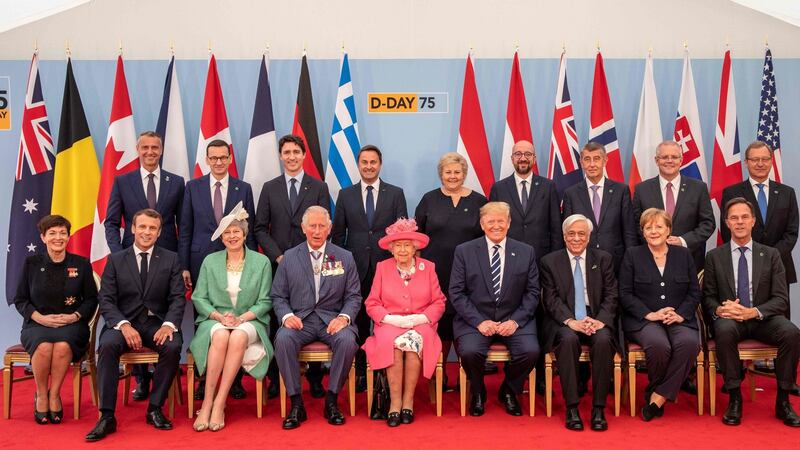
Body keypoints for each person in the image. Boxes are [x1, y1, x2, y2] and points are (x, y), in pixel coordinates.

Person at [86, 209, 186, 441]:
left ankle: (154, 408)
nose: (146, 232)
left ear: (159, 232)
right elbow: (106, 299)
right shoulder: (116, 260)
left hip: (156, 323)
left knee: (172, 347)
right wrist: (123, 325)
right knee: (108, 346)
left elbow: (177, 298)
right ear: (132, 228)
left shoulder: (170, 259)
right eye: (142, 227)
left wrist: (169, 325)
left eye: (152, 228)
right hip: (123, 323)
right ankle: (107, 416)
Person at [702, 197, 800, 427]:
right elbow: (707, 296)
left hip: (762, 318)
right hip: (731, 319)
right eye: (734, 218)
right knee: (723, 331)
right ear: (726, 222)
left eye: (745, 217)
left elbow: (781, 299)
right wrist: (720, 308)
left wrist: (753, 312)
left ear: (753, 221)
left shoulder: (771, 255)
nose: (740, 222)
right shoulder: (714, 256)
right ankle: (735, 397)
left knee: (792, 333)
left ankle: (783, 400)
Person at [104, 130, 185, 402]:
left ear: (161, 150)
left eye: (155, 147)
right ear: (138, 150)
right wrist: (121, 256)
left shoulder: (177, 182)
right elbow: (111, 222)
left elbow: (183, 225)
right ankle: (141, 378)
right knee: (133, 308)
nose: (150, 152)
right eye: (145, 147)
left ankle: (162, 380)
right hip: (131, 257)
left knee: (158, 315)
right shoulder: (123, 181)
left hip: (166, 257)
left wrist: (182, 263)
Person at [255, 134, 331, 399]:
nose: (291, 156)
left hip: (312, 265)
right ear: (280, 156)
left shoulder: (318, 187)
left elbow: (324, 225)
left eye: (296, 152)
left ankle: (315, 377)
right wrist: (278, 257)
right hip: (279, 264)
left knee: (314, 313)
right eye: (286, 152)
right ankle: (278, 378)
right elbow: (260, 228)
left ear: (303, 155)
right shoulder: (269, 187)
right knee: (281, 320)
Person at [179, 139, 256, 400]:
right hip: (202, 261)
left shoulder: (243, 188)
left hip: (238, 260)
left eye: (224, 157)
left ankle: (234, 380)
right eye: (214, 158)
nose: (219, 162)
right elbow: (185, 229)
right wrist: (184, 266)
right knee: (208, 319)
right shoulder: (193, 188)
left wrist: (253, 262)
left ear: (230, 158)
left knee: (237, 310)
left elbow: (250, 229)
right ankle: (204, 377)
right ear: (207, 159)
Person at [271, 206, 361, 429]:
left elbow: (354, 296)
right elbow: (278, 296)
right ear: (304, 228)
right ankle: (296, 403)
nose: (317, 231)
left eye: (322, 226)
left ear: (330, 229)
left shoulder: (345, 257)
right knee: (283, 339)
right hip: (300, 320)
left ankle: (331, 400)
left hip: (332, 319)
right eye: (313, 226)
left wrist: (343, 318)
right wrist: (287, 316)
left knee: (348, 341)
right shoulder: (289, 258)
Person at [189, 202, 274, 432]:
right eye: (227, 232)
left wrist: (241, 319)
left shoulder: (262, 262)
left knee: (237, 337)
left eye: (236, 231)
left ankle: (219, 403)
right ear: (221, 237)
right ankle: (207, 402)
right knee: (220, 338)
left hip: (249, 321)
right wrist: (218, 316)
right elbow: (199, 298)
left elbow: (265, 301)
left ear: (245, 234)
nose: (232, 236)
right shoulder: (210, 261)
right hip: (215, 321)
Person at [450, 201, 540, 417]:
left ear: (509, 223)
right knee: (470, 352)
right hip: (476, 319)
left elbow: (533, 292)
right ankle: (478, 391)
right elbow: (456, 292)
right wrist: (479, 321)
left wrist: (515, 321)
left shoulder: (526, 252)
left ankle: (509, 390)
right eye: (491, 221)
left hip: (514, 319)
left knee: (530, 351)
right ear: (482, 224)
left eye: (501, 221)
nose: (496, 225)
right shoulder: (464, 251)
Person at [332, 144, 408, 393]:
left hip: (388, 269)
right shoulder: (346, 194)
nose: (368, 166)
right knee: (361, 322)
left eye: (373, 162)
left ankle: (385, 371)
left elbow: (402, 234)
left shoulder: (395, 194)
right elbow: (337, 236)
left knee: (388, 322)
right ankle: (363, 370)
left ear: (380, 164)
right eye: (364, 162)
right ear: (358, 164)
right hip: (356, 269)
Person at [489, 140, 562, 394]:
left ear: (534, 158)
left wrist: (553, 264)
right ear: (511, 158)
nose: (523, 158)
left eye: (527, 154)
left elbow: (555, 227)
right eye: (518, 154)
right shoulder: (499, 188)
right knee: (512, 312)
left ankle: (541, 376)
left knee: (541, 319)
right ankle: (513, 377)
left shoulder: (549, 187)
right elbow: (492, 226)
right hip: (506, 265)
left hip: (542, 264)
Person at [14, 215, 98, 424]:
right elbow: (21, 299)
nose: (58, 237)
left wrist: (74, 316)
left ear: (69, 237)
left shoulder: (81, 264)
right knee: (43, 347)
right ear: (43, 237)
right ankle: (41, 395)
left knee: (61, 346)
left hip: (72, 324)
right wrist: (40, 318)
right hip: (37, 323)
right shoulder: (31, 263)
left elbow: (91, 300)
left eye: (62, 233)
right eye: (52, 233)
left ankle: (55, 394)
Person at [618, 208, 700, 421]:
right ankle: (661, 391)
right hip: (644, 320)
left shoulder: (683, 254)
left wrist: (681, 314)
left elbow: (694, 291)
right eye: (648, 227)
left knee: (689, 343)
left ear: (669, 230)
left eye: (659, 226)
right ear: (643, 232)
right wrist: (648, 314)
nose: (654, 231)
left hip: (679, 318)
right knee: (658, 345)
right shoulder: (632, 255)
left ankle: (658, 396)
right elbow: (625, 294)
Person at [362, 218, 445, 427]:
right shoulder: (382, 267)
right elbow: (372, 303)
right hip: (390, 324)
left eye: (407, 245)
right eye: (397, 245)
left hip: (420, 323)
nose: (402, 250)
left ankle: (408, 402)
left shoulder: (429, 268)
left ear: (415, 247)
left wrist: (419, 319)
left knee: (413, 342)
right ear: (390, 249)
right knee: (395, 346)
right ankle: (395, 404)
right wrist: (391, 319)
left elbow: (439, 302)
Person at [415, 152, 487, 389]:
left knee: (466, 319)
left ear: (464, 174)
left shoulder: (479, 201)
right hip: (436, 272)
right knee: (441, 322)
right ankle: (440, 373)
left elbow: (488, 237)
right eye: (448, 172)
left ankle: (468, 376)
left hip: (472, 274)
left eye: (457, 172)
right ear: (441, 174)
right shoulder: (428, 199)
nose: (453, 176)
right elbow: (417, 237)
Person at [540, 214, 618, 431]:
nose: (576, 238)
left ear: (589, 236)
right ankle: (572, 407)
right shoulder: (550, 261)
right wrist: (570, 321)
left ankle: (598, 408)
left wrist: (601, 320)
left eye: (581, 234)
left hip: (596, 318)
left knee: (603, 341)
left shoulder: (603, 259)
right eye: (571, 234)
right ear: (564, 236)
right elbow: (550, 298)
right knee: (567, 340)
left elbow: (612, 294)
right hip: (564, 320)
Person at [721, 141, 798, 310]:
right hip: (742, 265)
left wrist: (771, 257)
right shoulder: (731, 192)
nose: (760, 164)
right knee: (742, 318)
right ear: (746, 162)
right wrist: (753, 256)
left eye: (765, 159)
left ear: (772, 161)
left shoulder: (787, 192)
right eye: (755, 159)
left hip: (779, 265)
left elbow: (791, 233)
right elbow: (728, 230)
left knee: (780, 324)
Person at [631, 140, 714, 274]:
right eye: (664, 157)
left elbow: (708, 224)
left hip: (689, 259)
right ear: (656, 160)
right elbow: (635, 224)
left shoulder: (698, 188)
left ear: (681, 160)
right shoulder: (642, 190)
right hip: (651, 260)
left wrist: (683, 241)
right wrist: (655, 242)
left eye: (674, 157)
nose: (669, 161)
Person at [562, 142, 637, 273]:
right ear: (581, 162)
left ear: (605, 161)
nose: (592, 164)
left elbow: (629, 230)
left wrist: (631, 260)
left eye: (596, 159)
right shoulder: (571, 194)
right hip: (583, 260)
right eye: (587, 159)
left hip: (616, 261)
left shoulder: (621, 191)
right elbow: (567, 232)